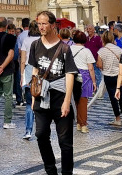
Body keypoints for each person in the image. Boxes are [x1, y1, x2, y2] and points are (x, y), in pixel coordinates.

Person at [29, 10, 77, 175]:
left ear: (52, 25)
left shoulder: (64, 48)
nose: (41, 27)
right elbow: (35, 69)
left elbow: (70, 74)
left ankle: (67, 173)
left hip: (59, 95)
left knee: (65, 140)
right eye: (39, 23)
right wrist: (33, 95)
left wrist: (67, 101)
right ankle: (50, 170)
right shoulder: (35, 45)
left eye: (44, 23)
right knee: (41, 134)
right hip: (42, 95)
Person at [97, 29, 122, 126]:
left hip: (108, 76)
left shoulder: (101, 51)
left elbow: (99, 65)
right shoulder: (119, 49)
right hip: (119, 75)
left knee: (113, 98)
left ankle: (117, 119)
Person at [68, 30, 96, 133]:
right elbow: (91, 68)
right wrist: (94, 82)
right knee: (83, 101)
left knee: (75, 101)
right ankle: (83, 124)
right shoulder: (86, 51)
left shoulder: (69, 49)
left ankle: (78, 122)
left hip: (72, 75)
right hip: (84, 77)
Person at [20, 21, 40, 140]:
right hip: (40, 71)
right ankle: (41, 129)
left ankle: (28, 130)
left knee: (29, 103)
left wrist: (22, 76)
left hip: (28, 70)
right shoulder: (42, 40)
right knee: (41, 102)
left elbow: (23, 60)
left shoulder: (26, 41)